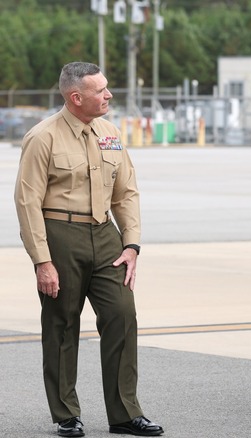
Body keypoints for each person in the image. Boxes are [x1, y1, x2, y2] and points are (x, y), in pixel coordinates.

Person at [14, 62, 163, 437]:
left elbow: (126, 191)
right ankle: (66, 414)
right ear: (76, 97)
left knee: (122, 316)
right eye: (101, 91)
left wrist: (131, 244)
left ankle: (125, 413)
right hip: (60, 234)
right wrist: (42, 261)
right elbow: (27, 201)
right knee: (62, 324)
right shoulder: (42, 137)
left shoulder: (110, 132)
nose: (109, 95)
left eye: (107, 88)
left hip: (106, 235)